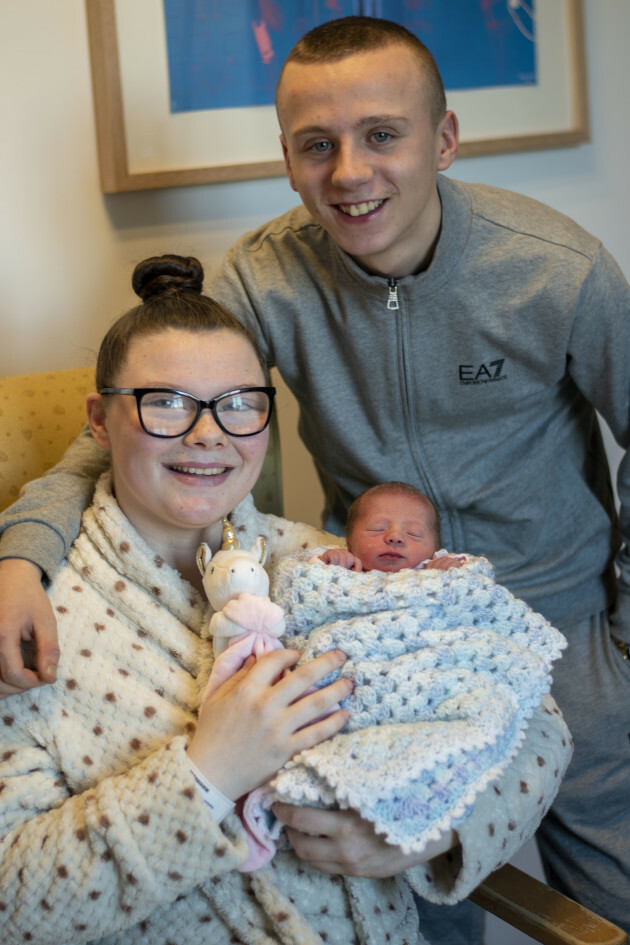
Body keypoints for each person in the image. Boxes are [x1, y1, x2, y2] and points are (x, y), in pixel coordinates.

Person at [0, 11, 628, 937]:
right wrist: (23, 552)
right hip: (373, 631)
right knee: (412, 895)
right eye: (316, 145)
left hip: (558, 632)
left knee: (610, 899)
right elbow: (160, 415)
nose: (349, 173)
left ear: (444, 140)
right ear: (287, 156)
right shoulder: (263, 277)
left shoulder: (556, 268)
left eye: (383, 135)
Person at [0, 254, 572, 945]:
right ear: (99, 420)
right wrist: (205, 775)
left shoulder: (323, 564)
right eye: (166, 401)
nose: (208, 433)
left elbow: (533, 717)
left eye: (241, 402)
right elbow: (13, 906)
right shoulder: (29, 623)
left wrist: (429, 832)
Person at [316, 480, 466, 572]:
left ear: (435, 551)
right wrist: (331, 562)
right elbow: (306, 574)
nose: (394, 537)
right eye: (378, 528)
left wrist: (452, 571)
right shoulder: (346, 569)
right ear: (350, 546)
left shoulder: (437, 571)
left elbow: (472, 585)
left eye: (414, 533)